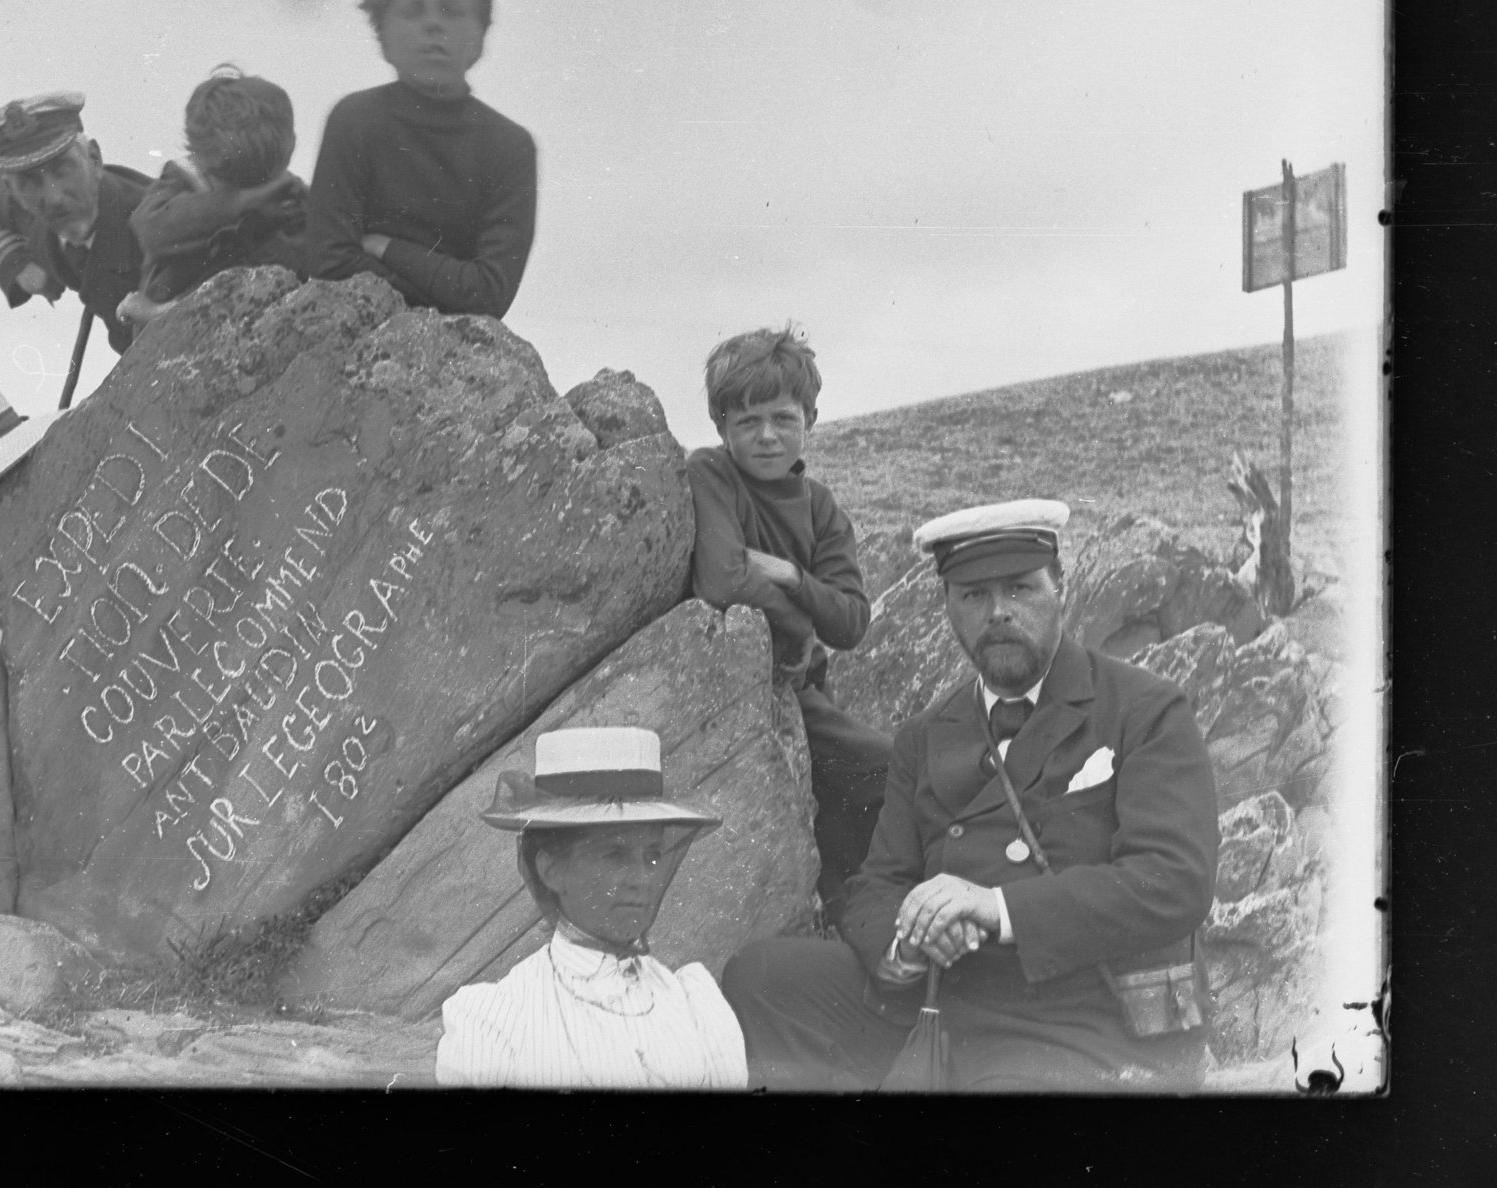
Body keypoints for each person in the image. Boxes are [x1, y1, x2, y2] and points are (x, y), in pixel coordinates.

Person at [720, 499, 1221, 1092]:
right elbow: (878, 883)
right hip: (944, 996)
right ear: (950, 609)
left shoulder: (1142, 708)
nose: (999, 613)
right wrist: (905, 945)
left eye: (1019, 588)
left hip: (1083, 1018)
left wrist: (995, 910)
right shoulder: (927, 735)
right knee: (762, 978)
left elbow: (1173, 880)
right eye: (974, 595)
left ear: (1061, 585)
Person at [686, 325, 887, 921]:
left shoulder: (821, 507)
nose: (767, 436)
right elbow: (722, 581)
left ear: (811, 418)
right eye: (747, 423)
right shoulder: (711, 474)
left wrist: (792, 577)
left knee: (884, 773)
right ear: (722, 429)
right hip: (737, 680)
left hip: (803, 690)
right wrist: (801, 622)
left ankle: (856, 914)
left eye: (782, 417)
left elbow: (852, 622)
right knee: (879, 770)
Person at [434, 726, 749, 1090]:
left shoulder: (691, 1002)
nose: (643, 880)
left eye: (651, 856)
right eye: (614, 855)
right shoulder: (496, 1022)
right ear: (550, 869)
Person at [306, 0, 537, 319]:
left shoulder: (509, 147)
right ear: (383, 37)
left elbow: (490, 294)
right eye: (413, 10)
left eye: (451, 10)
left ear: (480, 36)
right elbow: (328, 265)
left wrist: (385, 248)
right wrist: (443, 292)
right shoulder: (354, 121)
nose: (433, 25)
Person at [0, 92, 154, 358]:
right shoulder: (23, 211)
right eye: (29, 181)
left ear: (94, 159)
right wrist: (17, 264)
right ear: (10, 189)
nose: (53, 197)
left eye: (62, 170)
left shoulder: (155, 225)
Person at [117, 66, 312, 329]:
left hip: (246, 316)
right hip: (168, 323)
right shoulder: (186, 176)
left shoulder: (287, 193)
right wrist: (240, 205)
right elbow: (151, 228)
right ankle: (166, 314)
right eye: (226, 178)